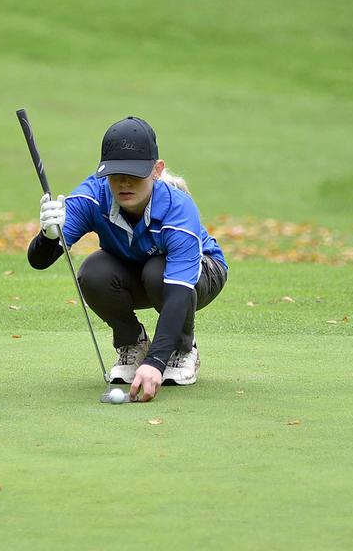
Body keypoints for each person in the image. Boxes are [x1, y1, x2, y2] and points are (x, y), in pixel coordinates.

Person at [27, 116, 227, 402]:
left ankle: (183, 350)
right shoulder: (93, 197)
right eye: (116, 174)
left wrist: (156, 363)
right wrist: (47, 236)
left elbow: (179, 291)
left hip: (203, 273)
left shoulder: (177, 209)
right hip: (137, 267)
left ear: (156, 171)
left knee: (158, 270)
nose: (124, 183)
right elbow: (40, 261)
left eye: (135, 174)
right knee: (93, 271)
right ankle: (133, 344)